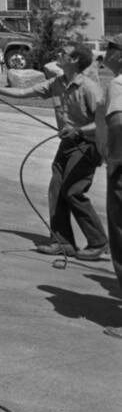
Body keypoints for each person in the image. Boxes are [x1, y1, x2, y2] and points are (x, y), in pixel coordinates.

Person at [0, 44, 106, 258]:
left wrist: (79, 130)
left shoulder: (89, 88)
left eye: (65, 53)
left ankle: (98, 241)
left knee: (73, 191)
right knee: (56, 190)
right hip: (67, 145)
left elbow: (103, 123)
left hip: (87, 146)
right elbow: (23, 92)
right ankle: (63, 243)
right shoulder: (57, 83)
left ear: (75, 61)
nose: (59, 54)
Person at [94, 36, 122, 331]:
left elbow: (118, 123)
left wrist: (113, 165)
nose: (106, 56)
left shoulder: (117, 84)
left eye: (112, 51)